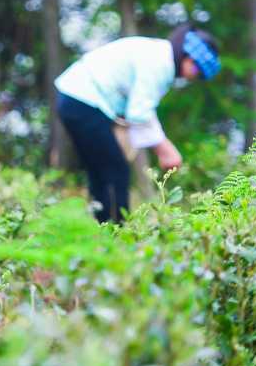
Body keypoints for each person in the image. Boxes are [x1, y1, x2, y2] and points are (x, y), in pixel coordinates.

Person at [54, 25, 220, 223]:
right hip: (83, 100)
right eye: (197, 71)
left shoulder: (159, 53)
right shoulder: (161, 63)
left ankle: (104, 231)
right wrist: (165, 149)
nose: (194, 77)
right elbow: (139, 112)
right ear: (188, 58)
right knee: (116, 172)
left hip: (75, 97)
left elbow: (139, 108)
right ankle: (117, 233)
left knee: (101, 171)